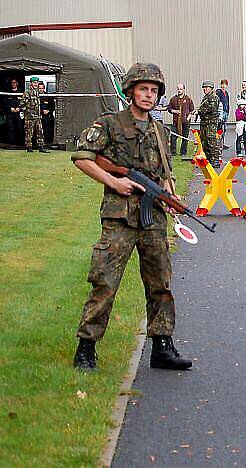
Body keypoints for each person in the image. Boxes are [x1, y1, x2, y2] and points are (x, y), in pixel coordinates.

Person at [71, 62, 191, 371]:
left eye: (154, 91)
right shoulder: (109, 124)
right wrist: (114, 181)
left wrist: (170, 195)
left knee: (160, 283)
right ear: (130, 91)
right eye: (143, 89)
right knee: (105, 283)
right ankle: (86, 347)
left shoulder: (159, 130)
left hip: (153, 221)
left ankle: (162, 346)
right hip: (119, 219)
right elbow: (82, 157)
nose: (149, 95)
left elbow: (165, 173)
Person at [20, 77, 48, 153]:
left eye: (37, 82)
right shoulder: (27, 92)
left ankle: (41, 147)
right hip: (30, 117)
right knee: (29, 133)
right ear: (31, 83)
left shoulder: (37, 92)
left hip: (38, 116)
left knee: (40, 132)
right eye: (34, 82)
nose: (36, 84)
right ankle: (29, 147)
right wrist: (27, 113)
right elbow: (22, 104)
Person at [197, 80, 221, 166]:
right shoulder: (206, 97)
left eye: (207, 87)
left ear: (211, 88)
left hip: (211, 123)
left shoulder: (213, 97)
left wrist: (200, 111)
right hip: (204, 122)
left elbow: (212, 109)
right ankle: (209, 159)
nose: (205, 89)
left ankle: (215, 160)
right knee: (204, 141)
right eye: (204, 88)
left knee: (211, 141)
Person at [167, 83, 194, 156]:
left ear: (184, 90)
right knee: (173, 137)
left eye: (181, 89)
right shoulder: (173, 99)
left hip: (185, 122)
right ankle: (173, 152)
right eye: (178, 89)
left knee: (185, 138)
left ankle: (183, 153)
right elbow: (169, 108)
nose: (179, 90)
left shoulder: (188, 99)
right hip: (176, 122)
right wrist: (175, 111)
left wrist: (188, 118)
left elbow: (192, 110)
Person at [3, 77, 22, 144]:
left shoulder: (21, 92)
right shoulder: (8, 92)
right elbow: (5, 103)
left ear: (17, 83)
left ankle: (20, 143)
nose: (13, 84)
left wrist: (20, 108)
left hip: (19, 113)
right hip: (10, 114)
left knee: (20, 128)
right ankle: (10, 143)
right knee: (10, 128)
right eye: (12, 83)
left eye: (14, 82)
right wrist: (10, 108)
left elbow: (24, 102)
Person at [38, 81, 55, 146]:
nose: (41, 89)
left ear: (44, 88)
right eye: (39, 88)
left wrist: (48, 111)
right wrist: (41, 111)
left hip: (46, 117)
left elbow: (53, 106)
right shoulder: (35, 96)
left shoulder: (48, 96)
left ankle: (47, 143)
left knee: (47, 130)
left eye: (42, 88)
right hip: (38, 116)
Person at [215, 79, 230, 150]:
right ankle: (218, 143)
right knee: (220, 128)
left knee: (224, 129)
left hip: (226, 112)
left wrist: (228, 111)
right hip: (221, 112)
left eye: (225, 84)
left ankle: (222, 143)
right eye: (222, 84)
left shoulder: (226, 93)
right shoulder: (218, 92)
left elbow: (227, 102)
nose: (223, 86)